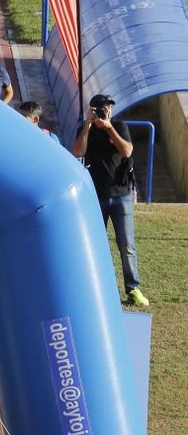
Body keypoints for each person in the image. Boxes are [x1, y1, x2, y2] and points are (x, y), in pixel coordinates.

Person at [73, 94, 145, 306]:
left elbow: (127, 150)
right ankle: (97, 288)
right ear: (93, 110)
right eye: (103, 108)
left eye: (109, 108)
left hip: (121, 196)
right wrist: (88, 124)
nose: (107, 112)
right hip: (97, 197)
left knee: (127, 245)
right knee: (96, 244)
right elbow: (77, 151)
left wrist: (108, 128)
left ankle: (133, 289)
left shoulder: (119, 127)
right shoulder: (86, 129)